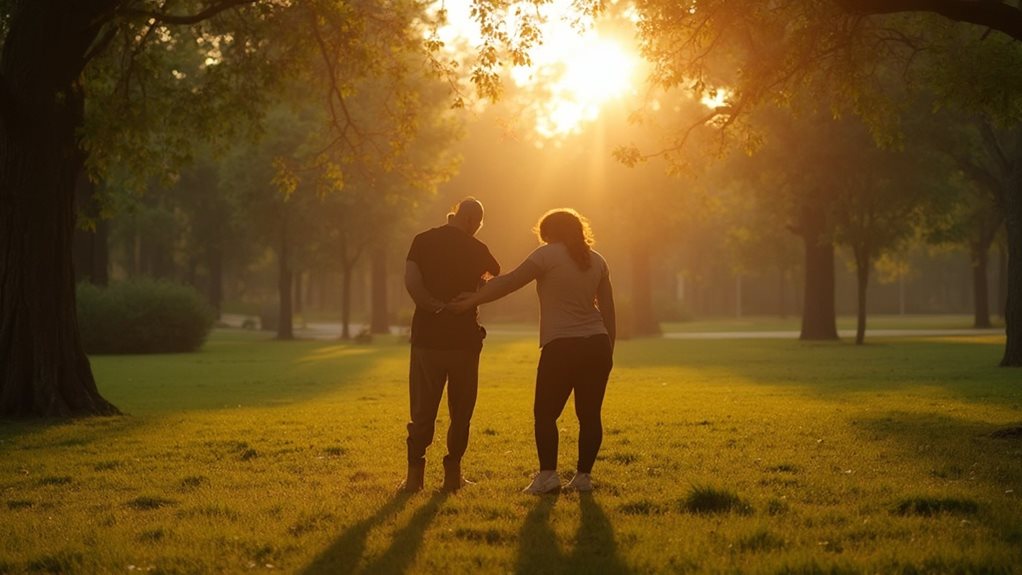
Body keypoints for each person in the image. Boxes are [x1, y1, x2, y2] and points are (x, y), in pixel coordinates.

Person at [449, 208, 615, 494]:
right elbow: (608, 310)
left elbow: (510, 282)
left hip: (561, 346)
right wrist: (609, 349)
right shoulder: (597, 260)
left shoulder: (546, 255)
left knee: (545, 413)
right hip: (597, 345)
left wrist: (471, 300)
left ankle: (548, 476)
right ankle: (584, 478)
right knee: (590, 415)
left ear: (550, 233)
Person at [401, 198, 501, 493]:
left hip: (427, 340)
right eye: (478, 225)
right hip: (464, 342)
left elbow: (412, 282)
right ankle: (452, 476)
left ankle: (413, 478)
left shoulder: (422, 241)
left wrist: (435, 306)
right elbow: (496, 276)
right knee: (461, 412)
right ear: (471, 219)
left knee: (422, 410)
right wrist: (473, 297)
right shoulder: (477, 249)